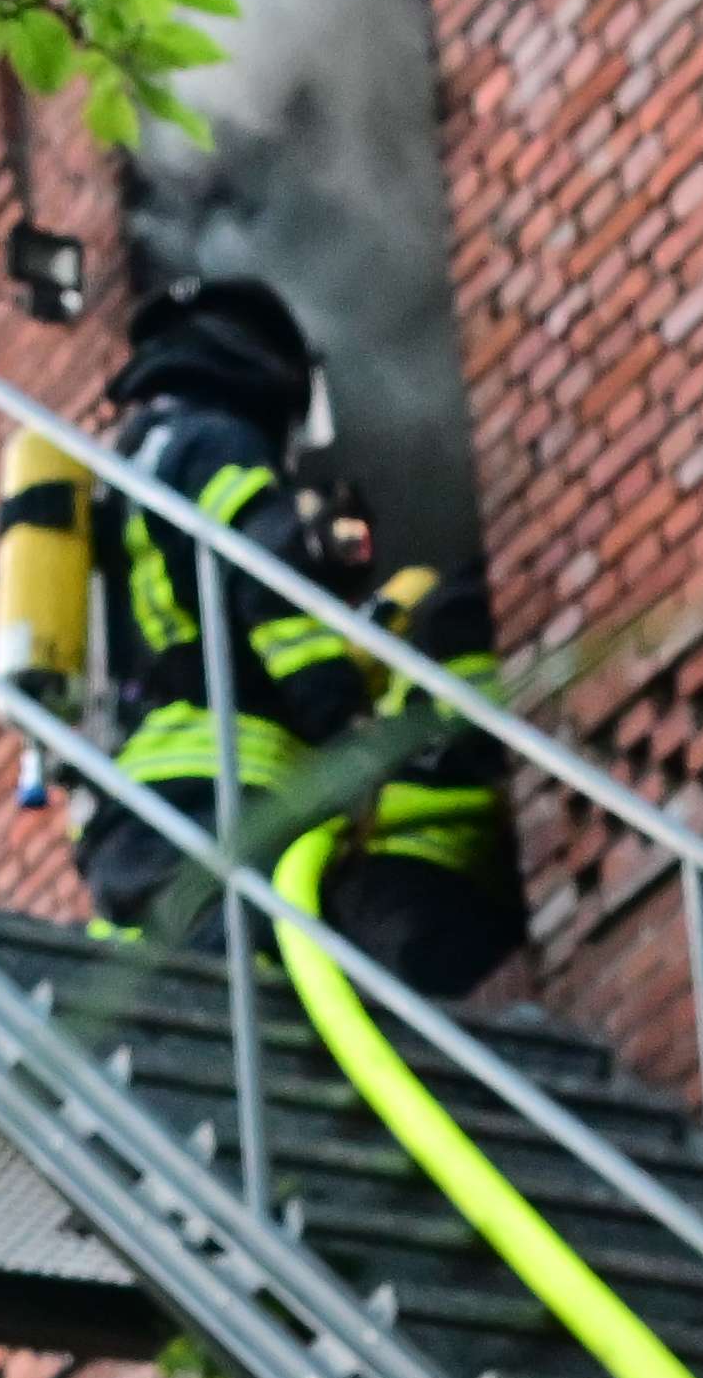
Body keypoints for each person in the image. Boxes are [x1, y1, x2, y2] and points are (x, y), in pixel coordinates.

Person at [62, 272, 520, 997]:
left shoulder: (121, 468)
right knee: (255, 988)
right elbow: (266, 579)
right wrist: (343, 722)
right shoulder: (214, 441)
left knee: (183, 983)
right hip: (223, 784)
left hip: (132, 804)